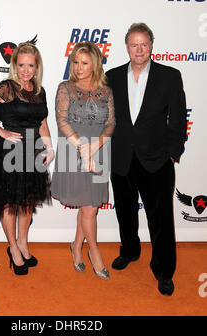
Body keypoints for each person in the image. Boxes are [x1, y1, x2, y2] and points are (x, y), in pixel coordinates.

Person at [106, 23, 187, 296]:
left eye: (144, 44)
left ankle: (165, 270)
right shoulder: (112, 76)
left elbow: (177, 118)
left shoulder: (170, 76)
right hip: (121, 158)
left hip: (157, 159)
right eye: (133, 44)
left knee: (161, 218)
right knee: (125, 212)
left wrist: (173, 152)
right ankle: (130, 251)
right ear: (126, 46)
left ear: (151, 45)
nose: (139, 50)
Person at [0, 42, 53, 276]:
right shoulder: (7, 87)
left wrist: (49, 147)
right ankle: (13, 249)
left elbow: (43, 122)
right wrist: (0, 130)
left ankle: (23, 243)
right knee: (9, 204)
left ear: (37, 67)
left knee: (27, 202)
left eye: (30, 65)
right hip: (11, 152)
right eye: (21, 65)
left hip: (34, 151)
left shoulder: (39, 90)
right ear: (14, 65)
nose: (26, 70)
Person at [51, 42, 115, 280]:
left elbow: (110, 123)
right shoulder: (65, 88)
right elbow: (62, 120)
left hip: (98, 152)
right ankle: (94, 251)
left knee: (90, 207)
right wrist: (83, 149)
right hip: (74, 153)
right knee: (87, 206)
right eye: (75, 62)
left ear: (95, 64)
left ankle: (77, 246)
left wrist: (96, 146)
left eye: (84, 63)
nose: (78, 67)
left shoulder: (106, 91)